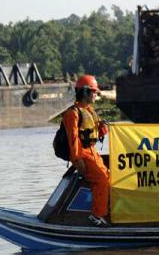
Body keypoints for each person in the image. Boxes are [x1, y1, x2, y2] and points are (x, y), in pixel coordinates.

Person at [63, 75, 110, 227]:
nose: (96, 95)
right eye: (93, 92)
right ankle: (96, 216)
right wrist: (77, 160)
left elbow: (92, 134)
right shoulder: (73, 113)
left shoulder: (89, 111)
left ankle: (106, 212)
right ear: (85, 92)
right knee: (101, 179)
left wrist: (102, 130)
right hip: (82, 153)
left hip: (92, 151)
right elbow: (73, 138)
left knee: (108, 177)